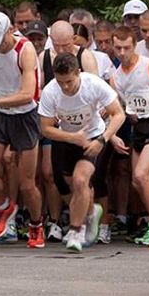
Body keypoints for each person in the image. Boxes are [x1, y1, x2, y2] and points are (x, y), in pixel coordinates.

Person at [0, 11, 44, 248]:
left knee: (27, 183)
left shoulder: (25, 50)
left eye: (0, 40)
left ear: (10, 30)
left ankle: (36, 223)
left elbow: (26, 94)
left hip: (24, 116)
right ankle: (4, 206)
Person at [39, 53, 125, 252]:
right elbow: (45, 128)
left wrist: (103, 139)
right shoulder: (51, 91)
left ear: (78, 72)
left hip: (93, 137)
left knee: (80, 180)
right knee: (72, 185)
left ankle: (76, 230)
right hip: (68, 139)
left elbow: (118, 114)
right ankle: (91, 211)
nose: (65, 87)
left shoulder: (93, 84)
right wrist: (72, 138)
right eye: (61, 82)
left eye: (69, 81)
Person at [111, 26, 149, 249]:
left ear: (135, 45)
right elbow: (119, 108)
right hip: (138, 128)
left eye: (127, 48)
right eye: (118, 48)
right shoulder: (116, 77)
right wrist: (112, 133)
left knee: (141, 175)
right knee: (136, 181)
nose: (122, 52)